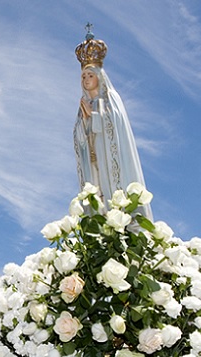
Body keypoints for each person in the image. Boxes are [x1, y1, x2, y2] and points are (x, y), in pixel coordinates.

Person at [73, 26, 152, 220]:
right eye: (83, 76)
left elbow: (116, 125)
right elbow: (79, 138)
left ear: (99, 77)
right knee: (97, 200)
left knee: (114, 200)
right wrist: (84, 124)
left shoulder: (110, 98)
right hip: (93, 162)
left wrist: (96, 117)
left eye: (90, 75)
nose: (86, 79)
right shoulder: (84, 105)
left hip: (111, 162)